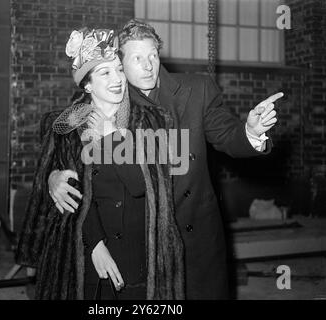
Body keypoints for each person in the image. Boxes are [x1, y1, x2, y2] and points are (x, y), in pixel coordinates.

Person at [47, 20, 284, 300]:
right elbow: (73, 154)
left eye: (153, 56)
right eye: (137, 58)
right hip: (145, 245)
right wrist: (53, 177)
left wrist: (251, 131)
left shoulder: (197, 90)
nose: (148, 65)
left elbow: (229, 135)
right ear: (120, 62)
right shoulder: (109, 100)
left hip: (195, 236)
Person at [15, 27, 185, 300]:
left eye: (119, 69)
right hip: (84, 253)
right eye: (105, 73)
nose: (117, 78)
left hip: (138, 256)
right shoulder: (66, 125)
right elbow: (69, 196)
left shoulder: (152, 121)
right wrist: (93, 244)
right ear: (87, 84)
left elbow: (144, 185)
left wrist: (110, 136)